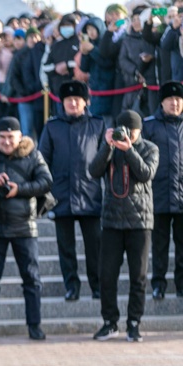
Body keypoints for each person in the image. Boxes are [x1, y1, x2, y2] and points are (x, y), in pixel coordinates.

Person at [0, 117, 52, 342]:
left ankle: (34, 326)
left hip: (25, 226)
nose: (6, 142)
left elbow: (46, 182)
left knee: (32, 279)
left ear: (20, 137)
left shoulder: (33, 156)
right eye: (2, 137)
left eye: (11, 137)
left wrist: (19, 190)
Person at [89, 110, 158, 342]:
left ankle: (134, 323)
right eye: (124, 129)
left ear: (139, 130)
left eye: (132, 130)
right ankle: (110, 322)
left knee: (138, 276)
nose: (127, 133)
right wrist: (108, 146)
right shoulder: (110, 147)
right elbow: (93, 171)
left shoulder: (149, 148)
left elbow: (146, 173)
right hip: (111, 221)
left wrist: (129, 150)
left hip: (140, 222)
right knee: (106, 275)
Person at [39, 80, 105, 301]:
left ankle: (97, 286)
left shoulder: (98, 124)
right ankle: (72, 286)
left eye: (77, 99)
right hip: (61, 195)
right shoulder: (52, 126)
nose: (73, 103)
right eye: (69, 100)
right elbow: (42, 161)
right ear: (62, 102)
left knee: (94, 246)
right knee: (65, 246)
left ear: (86, 102)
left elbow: (105, 160)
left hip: (90, 194)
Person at [141, 81, 183, 299]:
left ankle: (181, 284)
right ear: (162, 103)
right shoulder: (150, 126)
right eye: (170, 100)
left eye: (178, 100)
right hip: (158, 195)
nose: (175, 103)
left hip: (182, 196)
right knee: (159, 245)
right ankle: (158, 284)